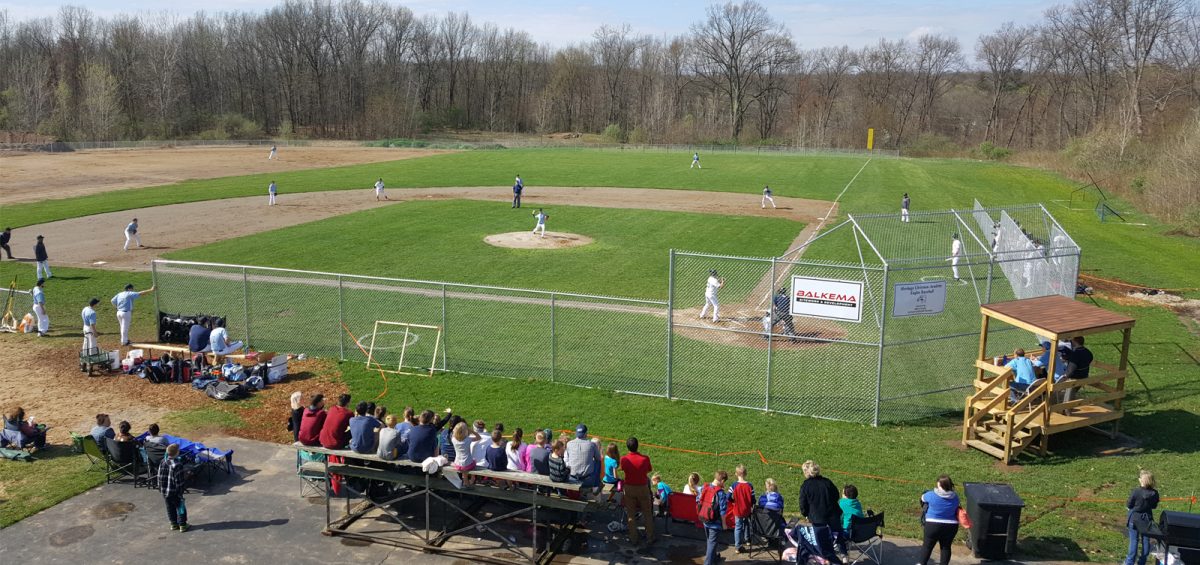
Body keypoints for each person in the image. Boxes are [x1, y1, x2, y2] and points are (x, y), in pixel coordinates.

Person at [800, 460, 842, 562]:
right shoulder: (827, 482)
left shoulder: (806, 485)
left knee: (821, 541)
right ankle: (839, 556)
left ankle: (824, 559)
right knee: (835, 539)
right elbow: (836, 495)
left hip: (817, 518)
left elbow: (803, 503)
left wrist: (806, 514)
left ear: (807, 472)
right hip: (833, 515)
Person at [619, 437, 655, 546]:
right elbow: (649, 470)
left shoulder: (624, 459)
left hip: (629, 488)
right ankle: (649, 537)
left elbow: (623, 469)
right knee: (647, 513)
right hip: (642, 488)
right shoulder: (645, 459)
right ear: (637, 446)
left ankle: (633, 538)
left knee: (631, 515)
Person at [918, 475, 960, 565]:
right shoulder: (955, 497)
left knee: (927, 546)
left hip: (933, 525)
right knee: (946, 547)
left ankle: (921, 563)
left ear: (940, 485)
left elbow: (922, 498)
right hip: (951, 526)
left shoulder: (931, 495)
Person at [1123, 470, 1160, 565]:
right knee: (1146, 541)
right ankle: (1142, 561)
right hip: (1147, 518)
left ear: (1142, 481)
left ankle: (1129, 562)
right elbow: (1154, 506)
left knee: (1134, 540)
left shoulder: (1136, 491)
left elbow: (1129, 504)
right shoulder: (1155, 493)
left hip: (1135, 518)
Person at [158, 443, 190, 532]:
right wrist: (181, 492)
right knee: (180, 507)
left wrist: (160, 488)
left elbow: (159, 476)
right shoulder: (177, 464)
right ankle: (183, 524)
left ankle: (173, 524)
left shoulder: (162, 462)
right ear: (177, 453)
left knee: (170, 507)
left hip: (165, 490)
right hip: (175, 491)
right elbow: (178, 481)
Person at [699, 470, 729, 565]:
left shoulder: (704, 487)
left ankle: (714, 558)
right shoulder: (720, 493)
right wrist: (724, 524)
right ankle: (708, 563)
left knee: (710, 541)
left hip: (704, 519)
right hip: (715, 524)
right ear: (723, 481)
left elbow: (698, 500)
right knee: (712, 543)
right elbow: (722, 511)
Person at [565, 423, 602, 490]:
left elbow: (566, 460)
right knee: (598, 462)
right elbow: (598, 458)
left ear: (576, 433)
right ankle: (596, 485)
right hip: (587, 481)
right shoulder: (592, 445)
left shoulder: (569, 444)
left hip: (571, 478)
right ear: (586, 433)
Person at [729, 464, 756, 553]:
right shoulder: (750, 485)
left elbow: (728, 497)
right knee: (747, 523)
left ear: (736, 474)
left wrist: (733, 500)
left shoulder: (734, 485)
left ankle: (738, 546)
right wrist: (751, 505)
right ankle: (747, 540)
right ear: (746, 474)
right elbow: (753, 499)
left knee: (738, 527)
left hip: (738, 509)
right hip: (747, 509)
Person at [1061, 336, 1094, 402]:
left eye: (1072, 340)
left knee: (1069, 394)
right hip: (1084, 375)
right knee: (1073, 392)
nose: (1071, 341)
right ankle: (1070, 405)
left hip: (1075, 378)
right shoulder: (1088, 352)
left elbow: (1071, 370)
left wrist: (1065, 376)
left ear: (1075, 342)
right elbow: (1089, 359)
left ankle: (1066, 410)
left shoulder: (1075, 354)